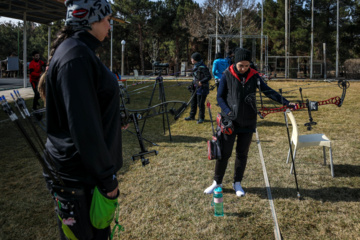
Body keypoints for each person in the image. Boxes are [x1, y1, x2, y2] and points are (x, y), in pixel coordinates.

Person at [38, 0, 123, 239]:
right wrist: (108, 179)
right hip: (77, 177)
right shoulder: (75, 55)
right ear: (89, 20)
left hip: (85, 173)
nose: (109, 26)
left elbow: (88, 108)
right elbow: (83, 127)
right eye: (106, 20)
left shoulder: (79, 50)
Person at [204, 48, 294, 197]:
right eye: (241, 65)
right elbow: (220, 97)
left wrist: (285, 102)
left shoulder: (255, 76)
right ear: (235, 63)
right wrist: (227, 111)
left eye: (247, 65)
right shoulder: (227, 75)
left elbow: (268, 91)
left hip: (248, 122)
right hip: (230, 122)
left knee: (242, 154)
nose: (244, 68)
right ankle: (217, 182)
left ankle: (237, 183)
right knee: (224, 153)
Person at [184, 52, 212, 124]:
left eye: (192, 58)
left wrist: (201, 82)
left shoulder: (203, 67)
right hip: (195, 87)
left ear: (195, 59)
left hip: (202, 89)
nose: (191, 60)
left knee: (200, 104)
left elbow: (209, 76)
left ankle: (201, 118)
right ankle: (191, 116)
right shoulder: (195, 66)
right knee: (193, 102)